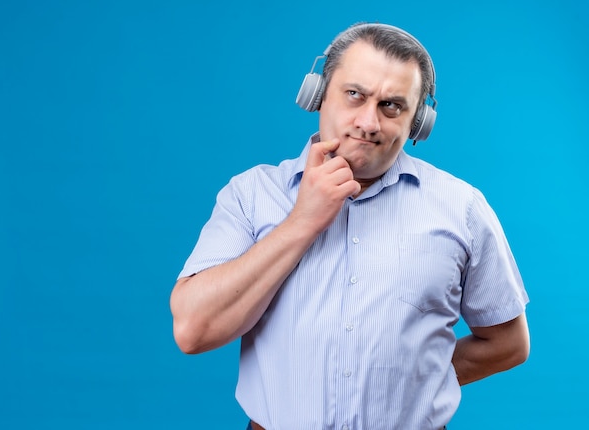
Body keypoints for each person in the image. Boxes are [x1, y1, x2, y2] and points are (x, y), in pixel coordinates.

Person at [170, 22, 530, 430]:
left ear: (418, 123)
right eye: (354, 94)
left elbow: (508, 344)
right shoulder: (250, 194)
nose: (368, 122)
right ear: (318, 94)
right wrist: (302, 221)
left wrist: (412, 386)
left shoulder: (462, 208)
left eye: (392, 106)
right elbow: (193, 331)